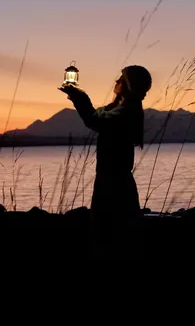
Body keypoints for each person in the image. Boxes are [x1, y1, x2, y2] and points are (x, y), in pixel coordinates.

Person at [59, 65, 152, 257]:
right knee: (111, 232)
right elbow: (97, 117)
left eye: (121, 79)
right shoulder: (120, 110)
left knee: (109, 234)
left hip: (114, 184)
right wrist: (79, 97)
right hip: (111, 181)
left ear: (129, 85)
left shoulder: (126, 113)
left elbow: (94, 120)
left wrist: (79, 97)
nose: (116, 82)